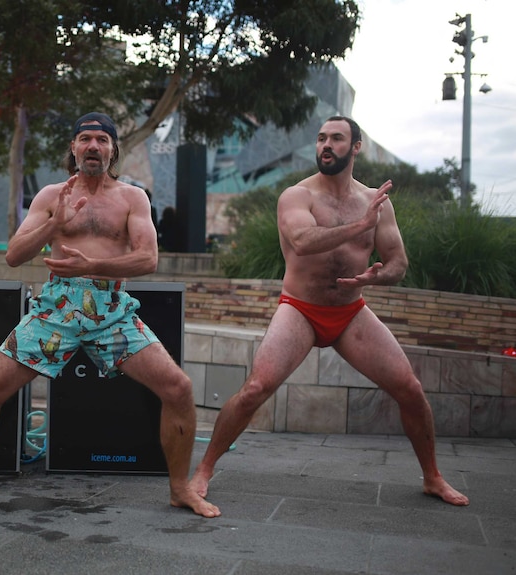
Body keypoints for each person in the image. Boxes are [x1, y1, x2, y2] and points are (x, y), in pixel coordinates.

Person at [0, 112, 221, 518]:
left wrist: (91, 268)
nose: (93, 146)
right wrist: (53, 227)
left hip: (111, 311)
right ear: (73, 148)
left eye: (101, 139)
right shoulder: (51, 196)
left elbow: (148, 259)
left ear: (113, 150)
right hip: (56, 309)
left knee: (178, 389)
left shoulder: (133, 198)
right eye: (85, 139)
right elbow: (12, 256)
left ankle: (180, 488)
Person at [189, 116, 469, 507]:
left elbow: (398, 264)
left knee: (411, 391)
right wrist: (360, 226)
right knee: (255, 389)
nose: (326, 144)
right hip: (300, 309)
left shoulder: (375, 203)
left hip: (350, 312)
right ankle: (203, 470)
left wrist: (374, 277)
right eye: (321, 138)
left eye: (337, 138)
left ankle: (433, 477)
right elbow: (303, 241)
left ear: (356, 147)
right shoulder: (297, 196)